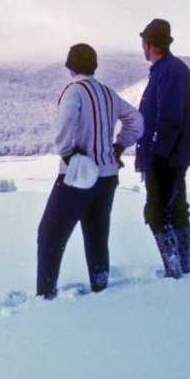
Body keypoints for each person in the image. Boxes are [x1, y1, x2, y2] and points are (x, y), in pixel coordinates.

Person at [36, 43, 143, 299]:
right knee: (97, 236)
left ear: (70, 67)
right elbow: (136, 120)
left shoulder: (73, 92)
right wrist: (119, 146)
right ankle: (100, 288)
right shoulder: (108, 93)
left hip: (78, 176)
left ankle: (45, 294)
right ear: (94, 66)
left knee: (50, 234)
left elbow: (65, 124)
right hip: (108, 176)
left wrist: (67, 152)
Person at [135, 18, 190, 279]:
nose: (142, 45)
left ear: (149, 44)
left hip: (166, 157)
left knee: (157, 212)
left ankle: (175, 271)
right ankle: (181, 268)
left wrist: (159, 154)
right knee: (175, 210)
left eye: (143, 41)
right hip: (171, 156)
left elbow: (170, 117)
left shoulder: (169, 71)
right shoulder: (167, 70)